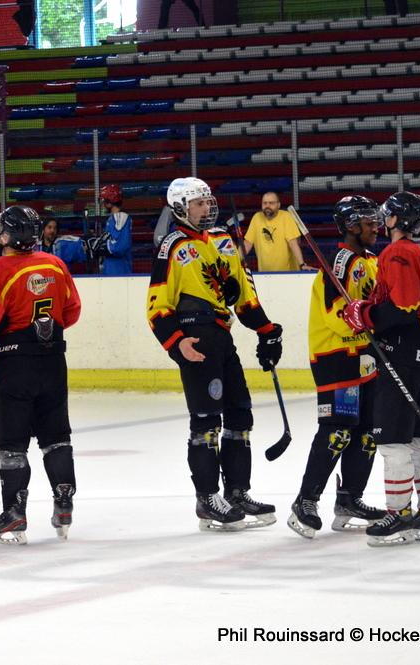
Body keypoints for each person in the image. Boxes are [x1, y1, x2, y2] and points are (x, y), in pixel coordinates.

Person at [147, 177, 284, 532]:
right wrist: (176, 342)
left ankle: (237, 492)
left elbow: (245, 297)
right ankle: (207, 499)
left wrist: (267, 330)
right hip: (196, 339)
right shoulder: (172, 247)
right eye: (198, 204)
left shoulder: (224, 240)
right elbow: (156, 305)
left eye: (208, 202)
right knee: (206, 423)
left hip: (223, 338)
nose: (207, 208)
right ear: (180, 208)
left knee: (240, 416)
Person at [0, 205, 81, 545]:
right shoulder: (54, 265)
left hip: (13, 367)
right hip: (53, 362)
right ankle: (64, 502)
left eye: (2, 232)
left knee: (12, 445)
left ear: (10, 235)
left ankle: (14, 513)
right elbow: (71, 311)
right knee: (57, 437)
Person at [342, 191, 420, 547]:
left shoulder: (398, 252)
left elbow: (403, 306)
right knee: (419, 436)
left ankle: (398, 514)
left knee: (391, 439)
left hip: (402, 352)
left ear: (397, 219)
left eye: (387, 215)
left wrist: (366, 315)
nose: (382, 220)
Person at [287, 196, 386, 540]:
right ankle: (306, 501)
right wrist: (358, 320)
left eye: (375, 220)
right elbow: (334, 313)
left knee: (368, 432)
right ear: (349, 226)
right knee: (337, 431)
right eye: (368, 221)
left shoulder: (371, 261)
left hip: (365, 356)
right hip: (336, 357)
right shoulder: (339, 260)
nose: (375, 226)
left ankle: (349, 500)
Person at [243, 192, 315, 272]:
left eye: (271, 203)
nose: (267, 206)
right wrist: (237, 260)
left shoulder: (286, 216)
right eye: (265, 203)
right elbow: (247, 243)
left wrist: (302, 264)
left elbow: (293, 243)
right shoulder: (257, 217)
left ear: (278, 205)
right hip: (264, 274)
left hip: (288, 274)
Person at [87, 185, 132, 275]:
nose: (103, 205)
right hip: (111, 271)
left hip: (119, 271)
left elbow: (119, 247)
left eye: (104, 201)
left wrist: (101, 246)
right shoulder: (112, 219)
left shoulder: (120, 217)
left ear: (109, 202)